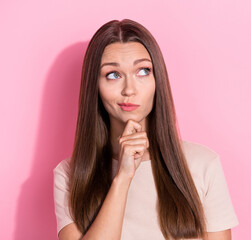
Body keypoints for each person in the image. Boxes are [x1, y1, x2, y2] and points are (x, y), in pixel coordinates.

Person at [53, 19, 238, 240]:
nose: (129, 89)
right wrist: (122, 177)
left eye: (142, 71)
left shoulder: (203, 164)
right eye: (113, 75)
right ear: (95, 86)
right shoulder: (70, 175)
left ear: (157, 79)